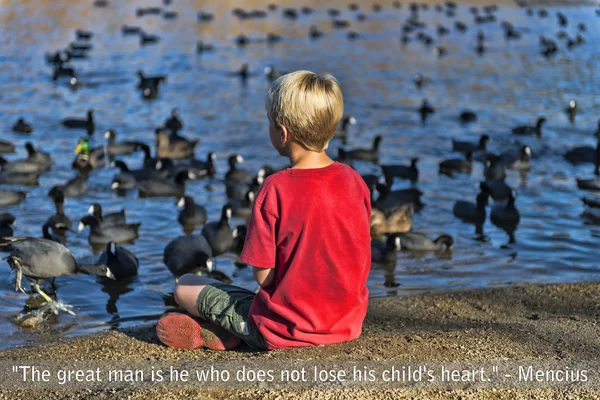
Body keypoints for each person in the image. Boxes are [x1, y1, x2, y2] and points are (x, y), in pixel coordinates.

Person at [156, 70, 372, 351]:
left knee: (184, 286)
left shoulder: (275, 188)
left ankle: (234, 331)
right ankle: (233, 331)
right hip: (346, 325)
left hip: (283, 330)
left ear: (282, 133)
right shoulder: (355, 181)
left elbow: (264, 277)